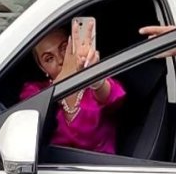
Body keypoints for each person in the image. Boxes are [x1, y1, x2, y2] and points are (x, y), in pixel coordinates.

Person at [19, 22, 126, 154]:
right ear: (42, 67)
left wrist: (95, 79)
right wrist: (64, 81)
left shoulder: (95, 84)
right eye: (49, 58)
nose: (60, 60)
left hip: (102, 171)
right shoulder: (34, 91)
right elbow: (29, 127)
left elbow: (111, 96)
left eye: (64, 48)